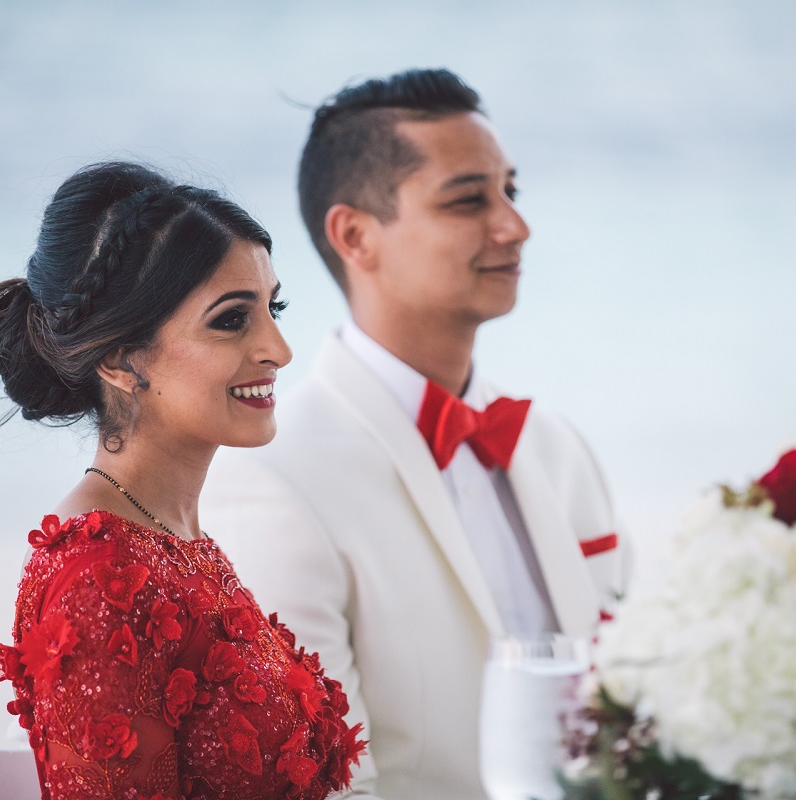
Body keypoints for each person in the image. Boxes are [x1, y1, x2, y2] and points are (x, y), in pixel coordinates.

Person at [201, 69, 629, 799]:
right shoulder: (272, 479)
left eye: (511, 193)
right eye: (469, 200)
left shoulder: (555, 446)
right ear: (356, 235)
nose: (514, 226)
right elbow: (332, 787)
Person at [0, 162, 365, 800]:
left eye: (274, 308)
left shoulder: (171, 535)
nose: (280, 348)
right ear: (118, 358)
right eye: (231, 320)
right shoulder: (98, 576)